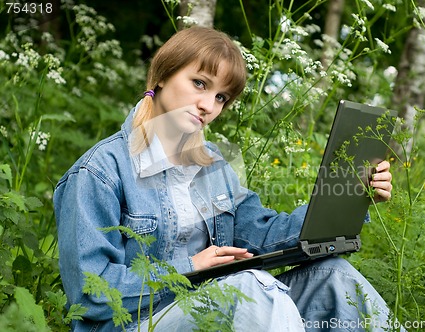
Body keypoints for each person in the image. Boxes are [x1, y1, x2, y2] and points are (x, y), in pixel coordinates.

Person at [54, 26, 398, 332]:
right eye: (199, 83)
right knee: (250, 288)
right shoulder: (99, 171)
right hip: (133, 324)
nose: (208, 105)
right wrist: (189, 268)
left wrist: (354, 195)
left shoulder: (213, 164)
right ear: (162, 75)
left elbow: (263, 236)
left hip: (211, 308)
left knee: (335, 277)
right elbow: (91, 293)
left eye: (221, 97)